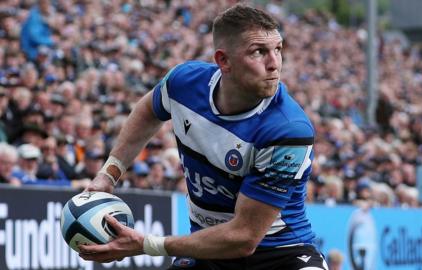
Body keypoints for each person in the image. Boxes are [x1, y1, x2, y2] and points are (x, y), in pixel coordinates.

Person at [80, 4, 328, 270]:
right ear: (224, 60)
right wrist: (109, 173)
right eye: (259, 52)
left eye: (278, 49)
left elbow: (244, 238)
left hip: (281, 253)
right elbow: (147, 111)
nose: (274, 64)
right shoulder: (184, 83)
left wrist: (147, 244)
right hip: (208, 250)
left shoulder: (288, 129)